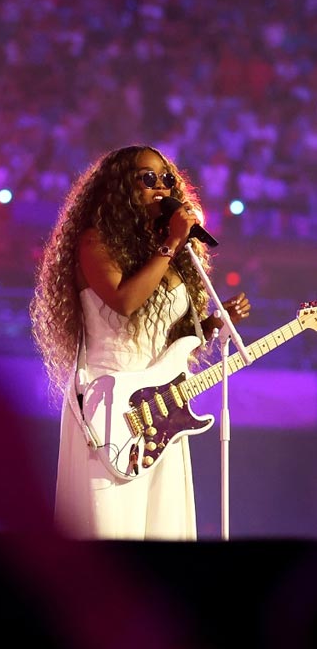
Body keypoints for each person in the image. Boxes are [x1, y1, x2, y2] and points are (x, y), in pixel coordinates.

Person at [29, 145, 251, 540]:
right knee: (112, 527)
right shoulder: (96, 242)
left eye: (167, 179)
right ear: (119, 189)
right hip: (109, 402)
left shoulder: (173, 254)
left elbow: (170, 339)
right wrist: (171, 244)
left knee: (163, 525)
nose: (161, 187)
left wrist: (215, 322)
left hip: (161, 408)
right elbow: (125, 302)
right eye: (147, 179)